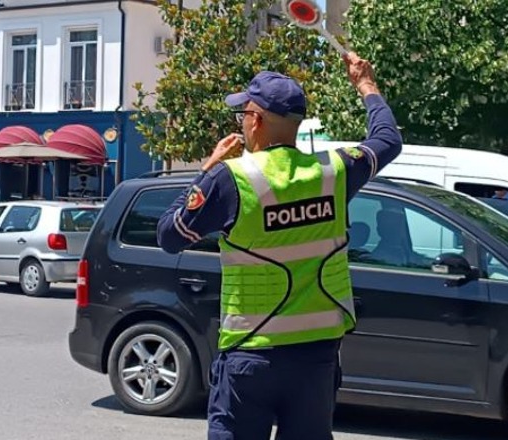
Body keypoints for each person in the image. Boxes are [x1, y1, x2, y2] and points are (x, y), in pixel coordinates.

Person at [156, 52, 402, 440]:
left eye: (243, 115)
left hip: (250, 358)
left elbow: (169, 236)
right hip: (315, 360)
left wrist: (205, 170)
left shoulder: (231, 179)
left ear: (255, 119)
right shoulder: (333, 172)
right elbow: (387, 139)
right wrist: (365, 85)